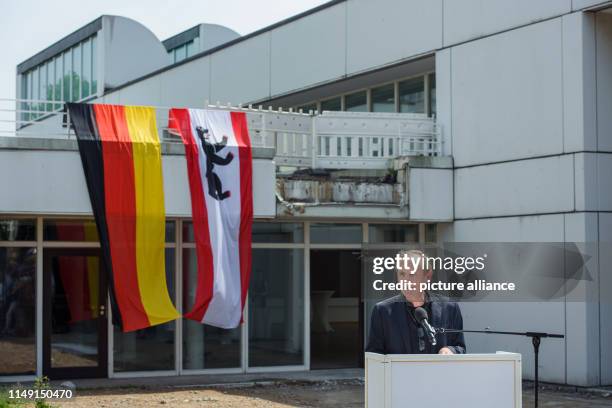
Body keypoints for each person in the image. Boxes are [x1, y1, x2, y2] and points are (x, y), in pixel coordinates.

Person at [366, 249, 466, 355]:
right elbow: (373, 354)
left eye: (412, 274)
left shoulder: (450, 308)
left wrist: (450, 350)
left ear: (427, 276)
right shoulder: (382, 311)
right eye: (402, 274)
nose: (406, 281)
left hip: (437, 371)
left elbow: (460, 347)